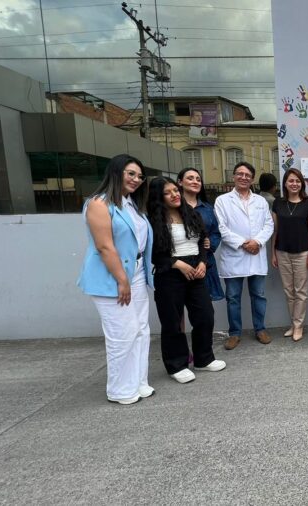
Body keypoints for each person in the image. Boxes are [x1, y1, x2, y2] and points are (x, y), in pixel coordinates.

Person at [77, 154, 153, 405]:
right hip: (114, 277)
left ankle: (138, 382)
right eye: (131, 173)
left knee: (141, 330)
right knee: (123, 333)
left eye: (140, 176)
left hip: (138, 273)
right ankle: (120, 389)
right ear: (116, 172)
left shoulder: (131, 204)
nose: (136, 179)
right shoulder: (99, 204)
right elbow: (105, 247)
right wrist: (122, 279)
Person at [146, 177, 226, 383]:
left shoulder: (190, 214)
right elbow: (152, 253)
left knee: (205, 315)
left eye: (176, 190)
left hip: (196, 270)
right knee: (172, 322)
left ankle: (203, 359)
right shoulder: (152, 222)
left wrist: (202, 263)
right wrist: (177, 263)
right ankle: (176, 365)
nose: (175, 195)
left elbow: (202, 242)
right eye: (168, 192)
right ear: (158, 197)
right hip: (170, 274)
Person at [214, 161, 275, 350]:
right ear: (233, 176)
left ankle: (260, 329)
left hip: (256, 253)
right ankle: (234, 333)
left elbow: (268, 225)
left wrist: (256, 242)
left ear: (252, 179)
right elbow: (221, 228)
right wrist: (242, 243)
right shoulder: (222, 200)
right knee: (233, 297)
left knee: (259, 294)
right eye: (240, 174)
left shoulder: (261, 201)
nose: (243, 177)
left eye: (247, 175)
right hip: (235, 255)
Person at [270, 168, 308, 342]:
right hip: (282, 252)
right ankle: (294, 323)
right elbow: (275, 230)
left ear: (302, 183)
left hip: (302, 253)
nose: (294, 184)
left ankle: (298, 326)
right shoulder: (278, 203)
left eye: (297, 181)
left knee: (301, 292)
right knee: (288, 291)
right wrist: (273, 252)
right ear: (285, 183)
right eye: (291, 180)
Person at [177, 168, 223, 302]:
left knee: (204, 310)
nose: (195, 182)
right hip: (180, 263)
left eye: (198, 179)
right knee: (178, 307)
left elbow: (216, 232)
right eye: (190, 178)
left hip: (204, 263)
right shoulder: (173, 207)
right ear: (180, 182)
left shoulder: (208, 208)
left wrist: (210, 242)